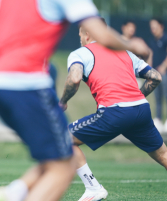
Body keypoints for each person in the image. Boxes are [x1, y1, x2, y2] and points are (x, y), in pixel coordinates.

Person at [0, 0, 149, 200]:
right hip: (28, 85)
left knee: (58, 155)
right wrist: (133, 45)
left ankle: (17, 190)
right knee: (64, 166)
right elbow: (101, 34)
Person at [59, 21, 166, 201]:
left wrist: (63, 101)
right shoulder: (124, 52)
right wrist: (136, 97)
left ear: (87, 34)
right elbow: (155, 77)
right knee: (163, 154)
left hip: (114, 112)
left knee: (62, 138)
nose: (80, 40)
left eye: (80, 35)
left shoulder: (80, 54)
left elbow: (74, 79)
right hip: (140, 110)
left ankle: (93, 188)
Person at [148, 18, 167, 131]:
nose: (153, 29)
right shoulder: (152, 41)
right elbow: (150, 57)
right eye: (151, 26)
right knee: (158, 98)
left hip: (165, 74)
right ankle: (158, 120)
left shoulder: (165, 39)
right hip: (155, 75)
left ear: (161, 26)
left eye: (154, 26)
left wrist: (164, 67)